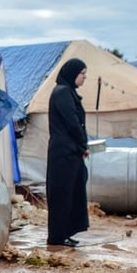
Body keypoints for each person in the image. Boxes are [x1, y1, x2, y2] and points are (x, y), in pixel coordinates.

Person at [46, 58, 91, 247]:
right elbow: (72, 123)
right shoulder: (62, 93)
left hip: (70, 152)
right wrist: (83, 145)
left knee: (72, 192)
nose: (84, 78)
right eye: (82, 74)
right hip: (63, 153)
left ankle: (66, 231)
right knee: (62, 194)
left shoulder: (68, 92)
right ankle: (57, 235)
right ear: (73, 74)